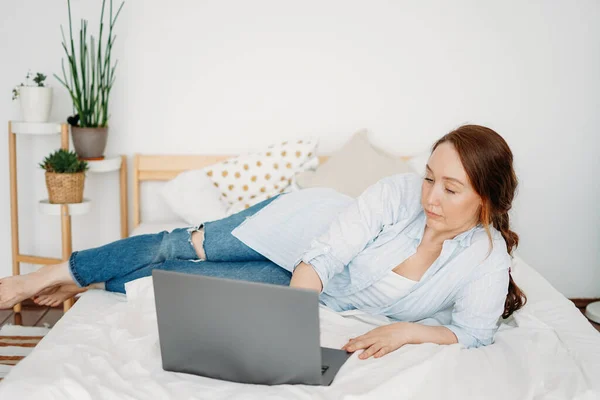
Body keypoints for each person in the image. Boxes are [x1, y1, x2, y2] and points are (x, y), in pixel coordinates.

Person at [0, 124, 526, 360]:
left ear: (486, 202)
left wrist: (408, 332)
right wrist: (289, 329)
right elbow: (324, 254)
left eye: (450, 188)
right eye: (429, 176)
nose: (430, 195)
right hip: (298, 227)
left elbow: (474, 332)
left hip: (311, 284)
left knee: (171, 282)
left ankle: (88, 277)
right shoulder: (395, 194)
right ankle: (43, 276)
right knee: (172, 247)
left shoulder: (485, 258)